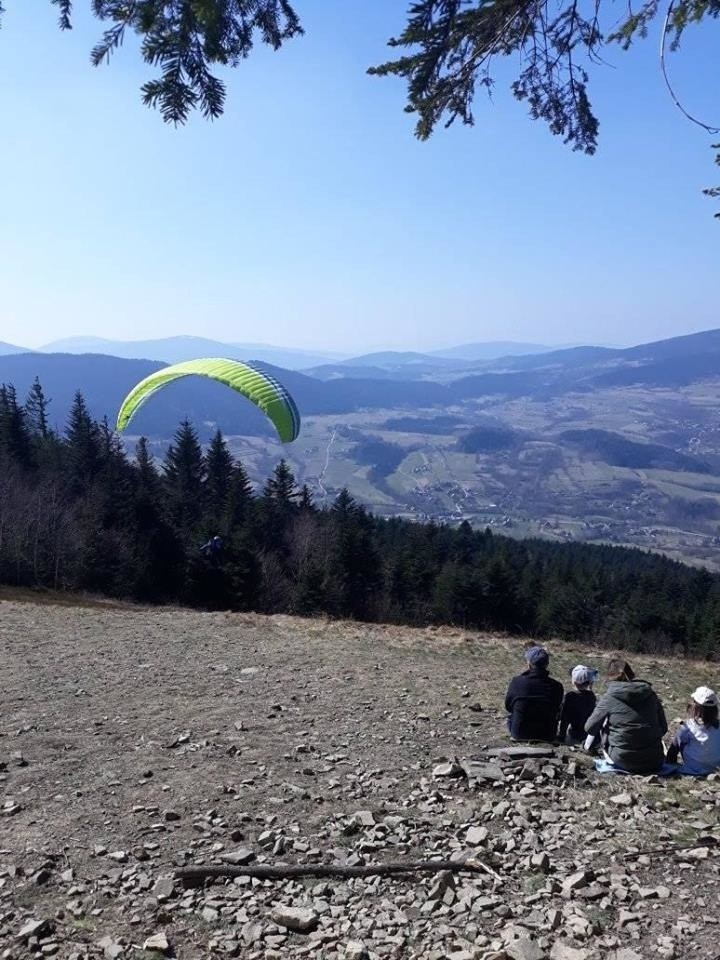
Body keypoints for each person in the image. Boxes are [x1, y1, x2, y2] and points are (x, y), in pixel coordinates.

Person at [584, 658, 668, 773]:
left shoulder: (609, 697)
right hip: (654, 760)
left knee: (603, 721)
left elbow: (590, 727)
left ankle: (590, 748)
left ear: (610, 675)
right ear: (631, 673)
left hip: (623, 760)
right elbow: (663, 728)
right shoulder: (650, 694)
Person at [504, 645, 564, 742]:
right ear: (547, 664)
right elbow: (557, 709)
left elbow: (508, 706)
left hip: (520, 733)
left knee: (511, 716)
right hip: (547, 735)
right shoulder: (557, 686)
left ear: (529, 664)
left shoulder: (517, 682)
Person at [666, 686, 720, 775]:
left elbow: (674, 748)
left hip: (694, 768)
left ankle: (671, 764)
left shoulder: (688, 726)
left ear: (695, 706)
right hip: (715, 767)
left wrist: (670, 760)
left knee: (681, 737)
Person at [559, 665, 598, 744]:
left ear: (573, 681)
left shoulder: (570, 696)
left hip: (573, 735)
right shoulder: (592, 697)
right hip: (585, 735)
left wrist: (561, 737)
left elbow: (565, 719)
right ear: (590, 682)